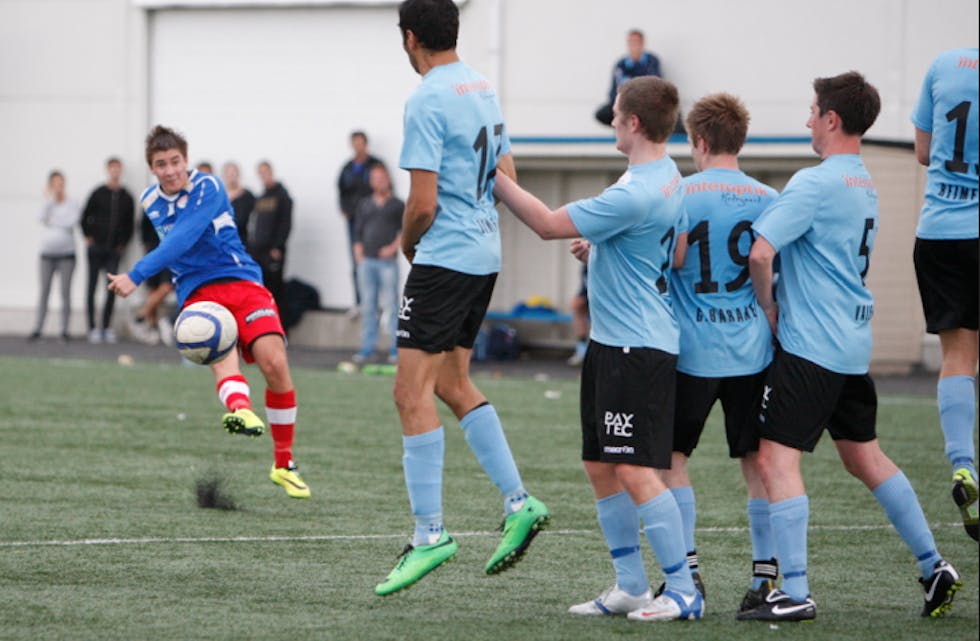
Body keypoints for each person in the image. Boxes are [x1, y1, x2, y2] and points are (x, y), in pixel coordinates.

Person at [739, 71, 962, 623]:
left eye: (812, 111)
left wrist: (769, 307)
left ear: (832, 119)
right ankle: (934, 565)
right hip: (850, 345)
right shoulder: (863, 180)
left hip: (811, 347)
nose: (807, 120)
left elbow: (760, 253)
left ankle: (793, 591)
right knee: (866, 456)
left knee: (774, 458)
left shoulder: (814, 182)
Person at [495, 75, 704, 623]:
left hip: (636, 348)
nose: (611, 120)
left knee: (635, 469)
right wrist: (607, 250)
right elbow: (674, 254)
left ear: (633, 124)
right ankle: (632, 585)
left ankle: (683, 589)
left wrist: (490, 174)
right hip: (616, 343)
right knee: (599, 463)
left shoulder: (634, 191)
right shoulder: (664, 176)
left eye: (614, 114)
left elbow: (544, 225)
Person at [374, 0, 550, 597]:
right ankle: (519, 501)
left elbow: (421, 204)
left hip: (445, 259)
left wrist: (406, 245)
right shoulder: (480, 85)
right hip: (483, 257)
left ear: (410, 37)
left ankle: (430, 535)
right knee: (452, 384)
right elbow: (506, 171)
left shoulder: (426, 97)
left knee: (409, 393)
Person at [106, 125, 311, 500]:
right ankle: (240, 408)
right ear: (152, 169)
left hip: (242, 280)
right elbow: (178, 247)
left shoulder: (209, 187)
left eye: (175, 162)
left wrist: (136, 275)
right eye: (160, 164)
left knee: (275, 363)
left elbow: (184, 237)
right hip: (198, 291)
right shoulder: (151, 200)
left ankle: (283, 464)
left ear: (186, 160)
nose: (170, 170)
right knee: (217, 345)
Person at [666, 92, 780, 613]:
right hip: (752, 351)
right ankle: (765, 578)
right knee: (757, 461)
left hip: (691, 351)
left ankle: (687, 573)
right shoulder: (766, 196)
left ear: (701, 141)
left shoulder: (681, 192)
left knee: (673, 459)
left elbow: (665, 257)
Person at [910, 47, 979, 542]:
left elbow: (922, 151)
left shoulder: (944, 64)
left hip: (936, 232)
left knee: (957, 356)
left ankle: (963, 463)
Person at [352, 162, 403, 365]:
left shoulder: (397, 205)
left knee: (391, 304)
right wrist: (358, 251)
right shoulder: (365, 204)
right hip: (367, 260)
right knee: (368, 305)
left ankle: (395, 348)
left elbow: (404, 230)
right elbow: (357, 231)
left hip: (387, 261)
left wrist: (392, 248)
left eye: (381, 177)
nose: (378, 182)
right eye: (374, 178)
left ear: (388, 179)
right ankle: (367, 348)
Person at [81, 157, 135, 343]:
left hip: (114, 250)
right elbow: (85, 216)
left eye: (118, 169)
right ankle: (92, 328)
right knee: (92, 286)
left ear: (121, 171)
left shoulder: (127, 197)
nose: (115, 172)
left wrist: (122, 243)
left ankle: (105, 327)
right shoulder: (98, 193)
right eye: (112, 169)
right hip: (96, 248)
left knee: (112, 287)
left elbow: (130, 224)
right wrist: (88, 236)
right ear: (107, 170)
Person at [29, 170, 81, 342]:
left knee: (65, 292)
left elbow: (70, 222)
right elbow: (40, 217)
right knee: (44, 291)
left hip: (67, 254)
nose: (59, 187)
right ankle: (38, 328)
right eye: (55, 184)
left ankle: (64, 330)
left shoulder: (72, 202)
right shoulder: (47, 202)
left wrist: (53, 220)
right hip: (47, 254)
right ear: (51, 185)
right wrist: (49, 201)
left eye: (61, 183)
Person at [337, 131, 381, 317]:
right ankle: (359, 302)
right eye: (355, 143)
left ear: (366, 144)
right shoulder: (347, 168)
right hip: (355, 221)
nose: (358, 146)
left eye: (361, 143)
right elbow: (341, 191)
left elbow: (384, 187)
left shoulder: (375, 165)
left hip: (373, 220)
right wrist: (345, 210)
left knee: (376, 260)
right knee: (357, 260)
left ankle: (376, 305)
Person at [248, 161, 292, 315]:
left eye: (266, 172)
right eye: (261, 173)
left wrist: (277, 246)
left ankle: (281, 328)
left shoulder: (282, 196)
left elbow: (285, 223)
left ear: (271, 172)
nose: (264, 176)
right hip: (258, 251)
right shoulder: (261, 197)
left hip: (272, 251)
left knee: (275, 292)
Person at [127, 212, 175, 346]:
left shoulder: (178, 203)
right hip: (153, 249)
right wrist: (147, 244)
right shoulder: (151, 201)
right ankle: (153, 328)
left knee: (167, 286)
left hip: (171, 251)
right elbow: (143, 226)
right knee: (152, 289)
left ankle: (141, 315)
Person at [594, 29, 660, 127]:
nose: (633, 45)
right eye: (630, 42)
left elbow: (654, 87)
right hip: (624, 105)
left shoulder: (652, 61)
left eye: (636, 42)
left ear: (642, 43)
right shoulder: (621, 64)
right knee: (603, 113)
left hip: (643, 105)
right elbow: (613, 90)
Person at [222, 162, 255, 247]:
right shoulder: (219, 196)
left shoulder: (248, 195)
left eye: (233, 172)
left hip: (242, 241)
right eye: (228, 173)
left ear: (238, 174)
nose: (231, 176)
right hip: (223, 242)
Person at [566, 265, 589, 366]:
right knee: (577, 307)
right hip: (589, 294)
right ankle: (582, 349)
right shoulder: (587, 265)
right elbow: (585, 286)